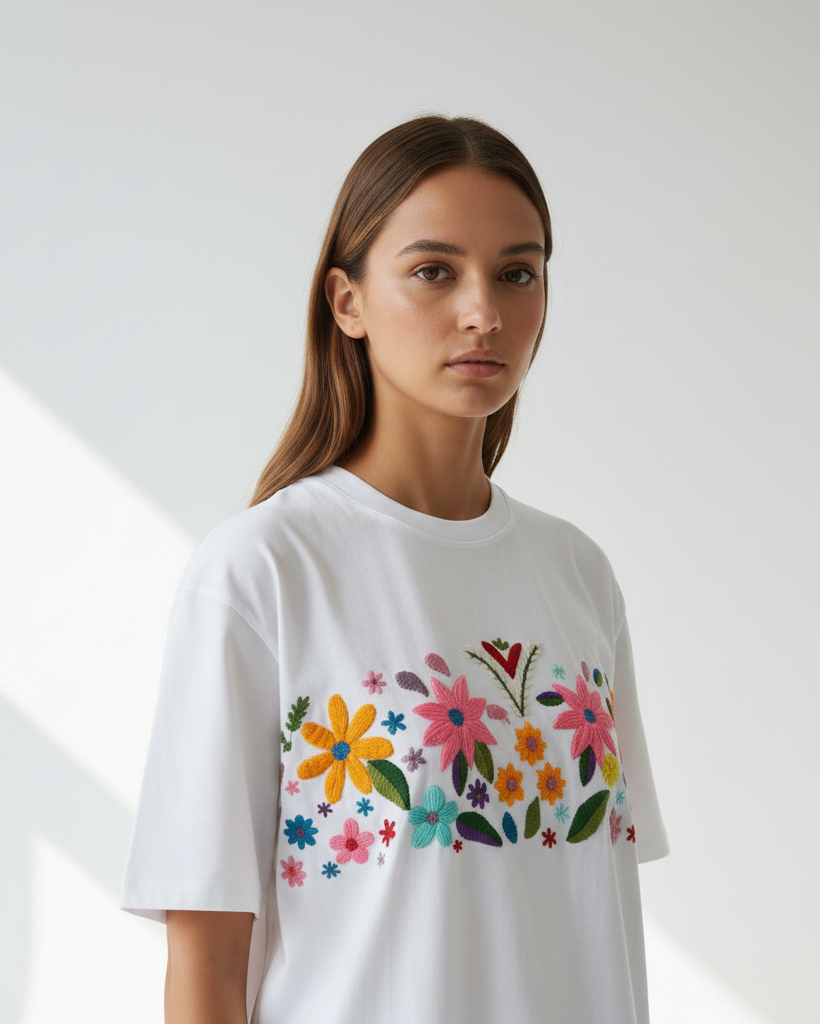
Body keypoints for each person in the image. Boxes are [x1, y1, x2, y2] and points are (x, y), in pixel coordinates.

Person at [120, 113, 669, 1024]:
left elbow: (589, 910)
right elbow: (207, 967)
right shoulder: (261, 574)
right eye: (433, 271)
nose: (483, 311)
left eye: (517, 272)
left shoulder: (578, 574)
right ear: (347, 301)